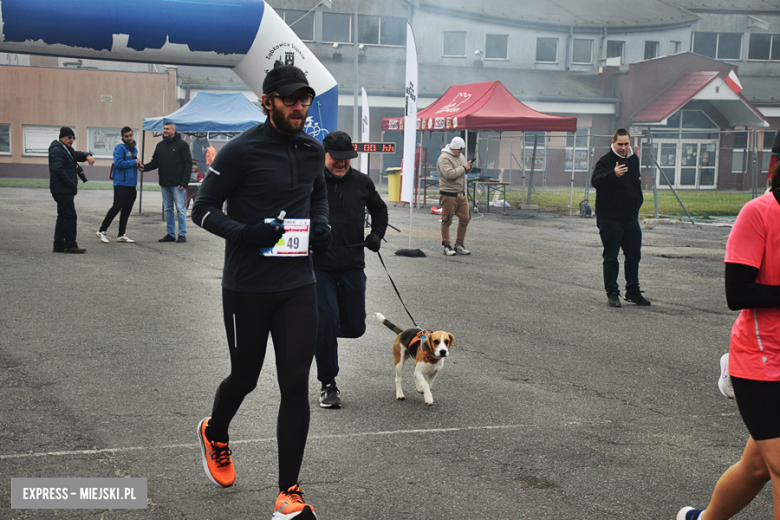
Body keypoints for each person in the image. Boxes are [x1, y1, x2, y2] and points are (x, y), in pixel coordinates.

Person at [191, 62, 330, 520]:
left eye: (305, 98)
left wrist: (322, 223)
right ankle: (216, 432)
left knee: (295, 383)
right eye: (290, 99)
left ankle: (288, 494)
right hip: (248, 286)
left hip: (298, 283)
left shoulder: (313, 149)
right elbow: (203, 210)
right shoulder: (238, 152)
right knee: (246, 377)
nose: (299, 106)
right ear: (267, 101)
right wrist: (248, 233)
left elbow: (317, 192)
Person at [676, 163, 780, 520]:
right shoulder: (759, 212)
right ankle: (731, 370)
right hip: (761, 358)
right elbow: (737, 293)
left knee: (758, 468)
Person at [313, 131, 388, 409]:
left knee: (356, 327)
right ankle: (328, 384)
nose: (342, 163)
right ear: (325, 154)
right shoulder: (312, 181)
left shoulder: (362, 182)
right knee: (327, 321)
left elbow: (380, 212)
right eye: (337, 158)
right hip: (319, 266)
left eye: (347, 159)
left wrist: (376, 235)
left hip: (354, 265)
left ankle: (320, 333)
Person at [591, 128, 651, 307]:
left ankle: (633, 290)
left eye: (626, 144)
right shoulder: (606, 161)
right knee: (611, 256)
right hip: (610, 218)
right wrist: (613, 175)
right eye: (620, 144)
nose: (623, 147)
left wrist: (636, 203)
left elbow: (635, 183)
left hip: (630, 217)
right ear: (613, 143)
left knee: (633, 255)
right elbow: (596, 181)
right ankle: (612, 293)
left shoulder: (633, 159)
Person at [141, 121, 191, 243]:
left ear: (174, 130)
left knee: (180, 209)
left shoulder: (182, 145)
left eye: (167, 129)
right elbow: (155, 162)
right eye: (164, 128)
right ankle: (170, 234)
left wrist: (184, 182)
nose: (165, 131)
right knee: (168, 209)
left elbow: (188, 164)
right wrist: (145, 167)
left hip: (177, 184)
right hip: (164, 183)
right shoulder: (160, 146)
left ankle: (182, 234)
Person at [48, 126, 94, 254]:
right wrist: (70, 183)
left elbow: (78, 154)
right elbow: (57, 169)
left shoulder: (66, 149)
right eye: (69, 137)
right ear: (62, 137)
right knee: (70, 216)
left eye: (73, 138)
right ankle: (70, 244)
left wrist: (88, 156)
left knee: (62, 215)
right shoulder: (57, 150)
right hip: (62, 189)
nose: (71, 140)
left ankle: (58, 245)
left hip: (63, 189)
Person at [96, 127, 140, 244]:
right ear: (122, 137)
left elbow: (131, 163)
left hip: (131, 184)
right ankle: (102, 230)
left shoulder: (134, 148)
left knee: (126, 210)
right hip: (121, 183)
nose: (129, 138)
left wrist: (138, 165)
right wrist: (134, 162)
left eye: (130, 135)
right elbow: (118, 163)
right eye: (126, 136)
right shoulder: (120, 147)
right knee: (116, 207)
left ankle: (121, 234)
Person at [437, 136, 473, 256]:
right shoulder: (444, 158)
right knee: (447, 220)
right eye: (459, 150)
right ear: (453, 148)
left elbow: (462, 171)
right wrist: (463, 168)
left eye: (462, 150)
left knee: (465, 218)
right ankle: (446, 245)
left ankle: (459, 244)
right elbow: (449, 174)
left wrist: (468, 168)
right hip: (448, 194)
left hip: (461, 194)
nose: (461, 152)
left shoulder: (460, 156)